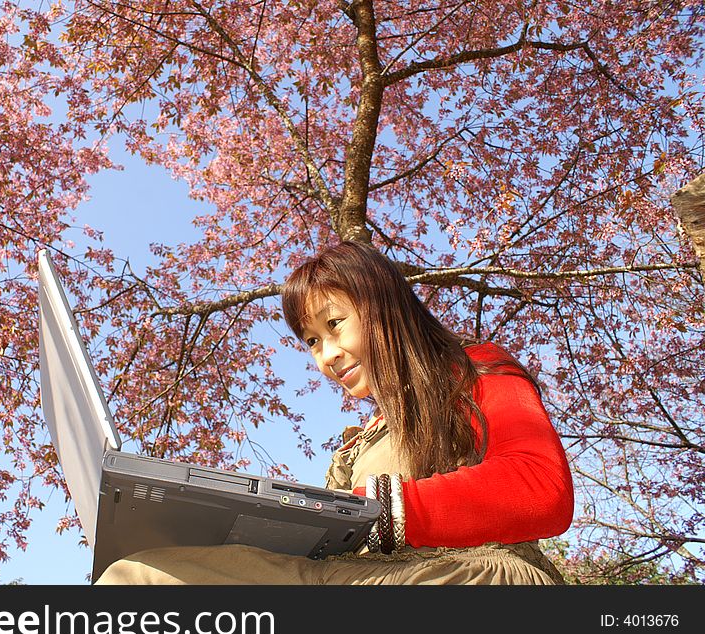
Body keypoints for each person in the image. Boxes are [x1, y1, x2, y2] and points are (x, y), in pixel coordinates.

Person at [95, 241, 574, 584]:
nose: (325, 356)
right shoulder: (361, 439)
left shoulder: (473, 372)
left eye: (335, 325)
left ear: (385, 306)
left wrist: (386, 508)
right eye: (311, 341)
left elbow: (540, 489)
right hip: (354, 575)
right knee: (139, 574)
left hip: (468, 574)